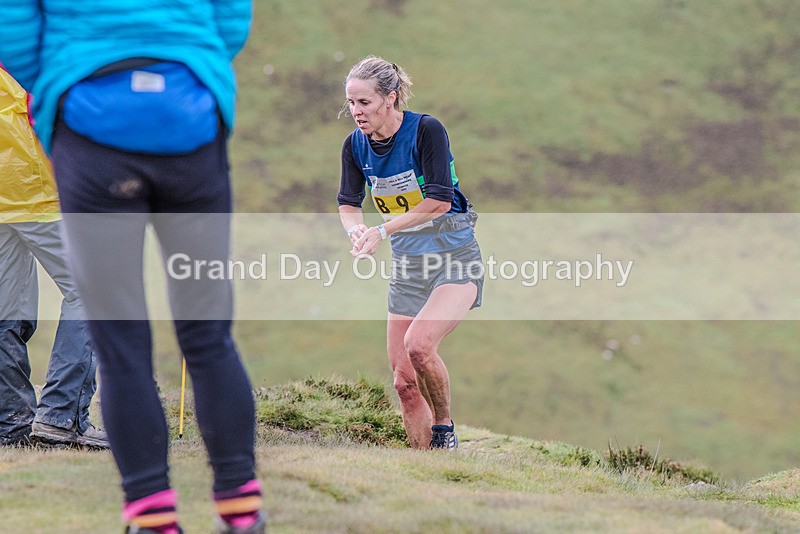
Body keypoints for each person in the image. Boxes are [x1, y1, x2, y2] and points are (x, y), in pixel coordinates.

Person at [0, 2, 265, 533]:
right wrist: (199, 64)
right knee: (209, 336)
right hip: (189, 114)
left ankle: (154, 518)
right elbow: (232, 14)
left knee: (120, 343)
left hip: (89, 123)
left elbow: (13, 25)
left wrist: (63, 82)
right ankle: (241, 512)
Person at [337, 56, 483, 451]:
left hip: (453, 255)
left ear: (391, 97)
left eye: (364, 102)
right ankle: (426, 468)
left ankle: (444, 429)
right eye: (351, 103)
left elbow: (439, 200)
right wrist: (358, 232)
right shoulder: (354, 146)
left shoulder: (426, 130)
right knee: (403, 381)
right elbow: (348, 203)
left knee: (419, 346)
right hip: (408, 263)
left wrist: (382, 228)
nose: (355, 112)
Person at [0, 64, 107, 449]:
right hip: (42, 191)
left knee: (6, 305)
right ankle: (61, 417)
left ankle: (10, 424)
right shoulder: (29, 36)